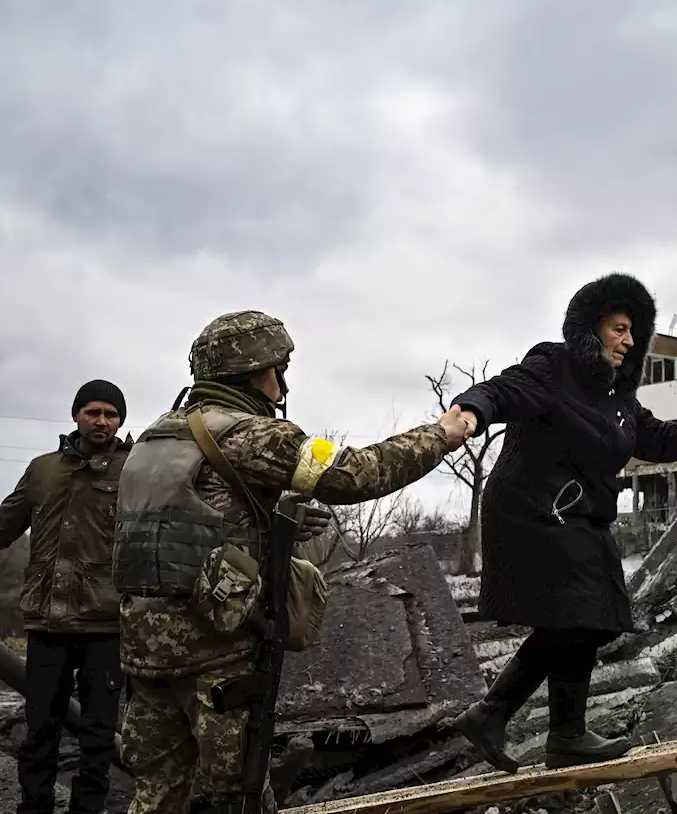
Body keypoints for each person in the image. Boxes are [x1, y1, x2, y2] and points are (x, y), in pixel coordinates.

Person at [114, 311, 470, 813]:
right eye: (279, 368)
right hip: (218, 656)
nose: (282, 381)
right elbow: (355, 473)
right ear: (257, 370)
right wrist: (440, 433)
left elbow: (181, 527)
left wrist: (270, 522)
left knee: (156, 793)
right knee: (236, 795)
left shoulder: (155, 438)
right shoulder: (252, 436)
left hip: (144, 653)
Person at [449, 273, 677, 772]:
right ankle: (541, 728)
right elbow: (502, 390)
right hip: (531, 512)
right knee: (579, 611)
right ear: (591, 327)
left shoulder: (617, 398)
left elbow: (657, 439)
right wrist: (471, 412)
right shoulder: (553, 366)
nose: (628, 342)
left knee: (584, 617)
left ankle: (533, 727)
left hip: (576, 518)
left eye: (634, 334)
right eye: (619, 329)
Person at [0, 381, 132, 814]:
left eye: (111, 414)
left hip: (107, 625)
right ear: (76, 415)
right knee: (40, 728)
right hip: (47, 623)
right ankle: (35, 807)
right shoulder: (42, 470)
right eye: (93, 411)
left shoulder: (134, 472)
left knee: (98, 735)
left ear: (120, 421)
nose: (101, 421)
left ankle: (87, 810)